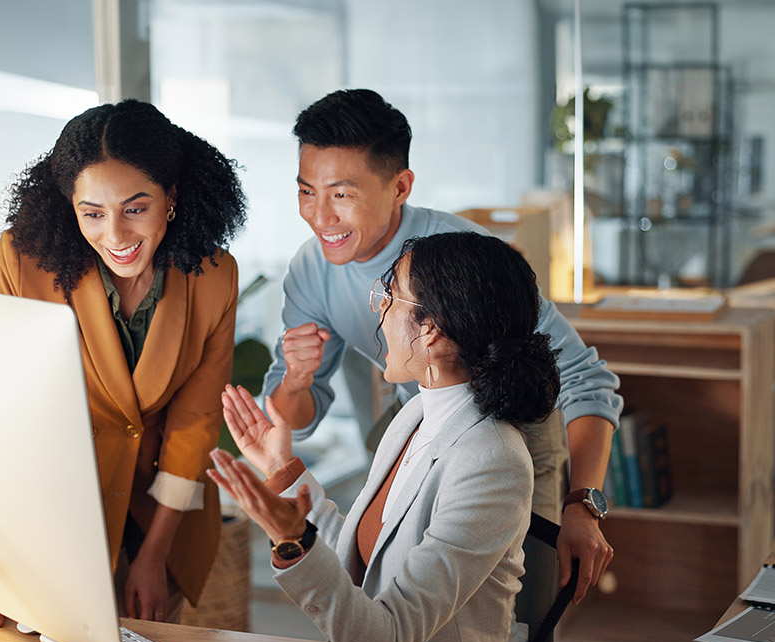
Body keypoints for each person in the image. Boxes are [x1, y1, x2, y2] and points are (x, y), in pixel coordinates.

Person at [262, 88, 622, 601]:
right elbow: (298, 415)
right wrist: (297, 380)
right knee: (403, 597)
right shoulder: (309, 270)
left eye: (341, 194)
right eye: (305, 192)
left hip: (516, 432)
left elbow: (585, 379)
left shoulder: (466, 261)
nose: (320, 217)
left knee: (514, 614)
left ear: (401, 186)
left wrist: (582, 505)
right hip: (421, 425)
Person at [0, 100, 247, 630]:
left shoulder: (213, 275)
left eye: (135, 208)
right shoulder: (21, 261)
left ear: (170, 199)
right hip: (43, 514)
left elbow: (195, 423)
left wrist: (152, 555)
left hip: (158, 515)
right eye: (93, 213)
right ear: (71, 207)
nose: (116, 235)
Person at [211, 232, 560, 642]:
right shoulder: (413, 417)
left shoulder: (493, 460)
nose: (378, 306)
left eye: (390, 294)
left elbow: (388, 641)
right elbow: (360, 562)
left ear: (430, 329)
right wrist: (282, 468)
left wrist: (294, 541)